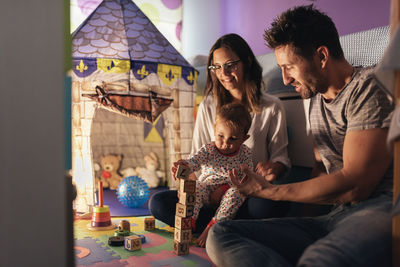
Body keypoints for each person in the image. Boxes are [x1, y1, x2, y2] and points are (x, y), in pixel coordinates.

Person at [206, 5, 394, 267]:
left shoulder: (368, 88)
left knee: (320, 258)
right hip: (335, 216)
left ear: (322, 56)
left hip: (378, 210)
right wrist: (301, 224)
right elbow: (320, 169)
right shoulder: (315, 98)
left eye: (289, 67)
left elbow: (355, 186)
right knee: (221, 234)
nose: (284, 79)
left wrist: (269, 190)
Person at [149, 33, 291, 233]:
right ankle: (223, 226)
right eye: (216, 67)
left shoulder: (272, 107)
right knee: (158, 202)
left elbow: (281, 157)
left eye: (230, 64)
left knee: (270, 205)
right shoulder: (208, 105)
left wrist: (274, 168)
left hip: (247, 193)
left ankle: (218, 225)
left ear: (247, 62)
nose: (223, 73)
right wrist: (197, 188)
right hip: (209, 193)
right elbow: (196, 159)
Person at [172, 103, 253, 247]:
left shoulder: (245, 153)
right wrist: (183, 166)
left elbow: (246, 179)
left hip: (229, 192)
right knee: (195, 187)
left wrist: (223, 189)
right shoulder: (209, 149)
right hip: (206, 190)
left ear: (244, 138)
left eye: (233, 139)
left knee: (238, 192)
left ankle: (213, 226)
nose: (225, 143)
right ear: (214, 131)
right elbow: (194, 162)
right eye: (221, 136)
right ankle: (189, 223)